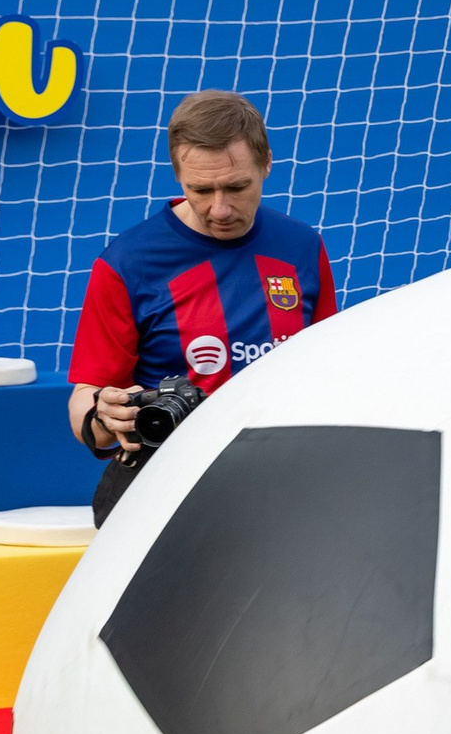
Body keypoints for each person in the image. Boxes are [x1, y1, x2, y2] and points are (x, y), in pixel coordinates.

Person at [66, 90, 337, 524]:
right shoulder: (127, 262)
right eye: (201, 189)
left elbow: (328, 370)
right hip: (166, 493)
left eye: (237, 186)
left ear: (267, 164)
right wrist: (104, 411)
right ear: (178, 176)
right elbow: (85, 401)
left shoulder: (302, 246)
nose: (221, 208)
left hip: (286, 485)